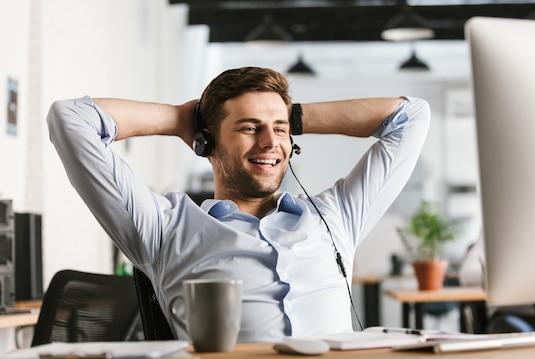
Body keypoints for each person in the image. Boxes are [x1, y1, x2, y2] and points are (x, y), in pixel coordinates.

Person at [47, 66, 430, 343]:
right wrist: (182, 119)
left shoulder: (334, 217)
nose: (270, 143)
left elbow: (410, 117)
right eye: (249, 128)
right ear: (207, 143)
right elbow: (70, 118)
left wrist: (293, 115)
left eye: (280, 130)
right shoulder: (164, 228)